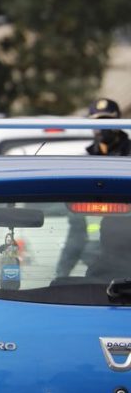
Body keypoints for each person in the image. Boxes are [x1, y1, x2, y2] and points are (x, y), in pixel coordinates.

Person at [56, 98, 128, 277]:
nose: (102, 128)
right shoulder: (85, 159)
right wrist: (61, 274)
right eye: (97, 122)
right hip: (96, 255)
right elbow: (76, 229)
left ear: (119, 122)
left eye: (108, 121)